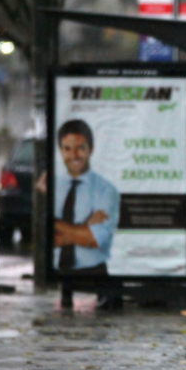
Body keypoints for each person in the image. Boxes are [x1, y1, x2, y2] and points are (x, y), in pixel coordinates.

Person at [53, 119, 121, 308]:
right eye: (67, 149)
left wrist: (56, 224)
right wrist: (84, 227)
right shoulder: (54, 187)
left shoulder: (105, 190)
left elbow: (95, 239)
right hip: (61, 275)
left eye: (80, 148)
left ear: (91, 149)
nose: (74, 155)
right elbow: (46, 237)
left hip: (95, 273)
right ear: (60, 151)